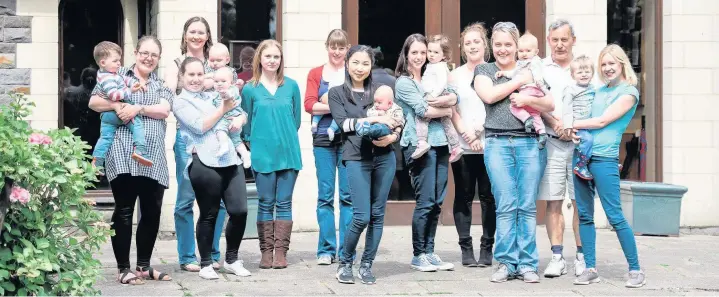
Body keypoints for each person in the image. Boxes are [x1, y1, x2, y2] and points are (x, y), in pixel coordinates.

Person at [87, 35, 174, 285]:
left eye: (154, 55)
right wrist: (116, 107)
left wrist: (137, 109)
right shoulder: (116, 73)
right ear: (136, 53)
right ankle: (123, 268)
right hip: (123, 151)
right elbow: (94, 102)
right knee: (124, 209)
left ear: (158, 59)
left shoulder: (161, 84)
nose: (148, 58)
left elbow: (165, 110)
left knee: (152, 211)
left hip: (152, 155)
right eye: (144, 53)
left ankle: (144, 266)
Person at [472, 22, 554, 283]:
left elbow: (550, 102)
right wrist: (519, 80)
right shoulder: (484, 69)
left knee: (527, 205)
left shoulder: (532, 67)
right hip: (497, 142)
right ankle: (506, 263)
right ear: (491, 46)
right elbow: (490, 96)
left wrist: (528, 99)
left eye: (508, 44)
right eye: (498, 44)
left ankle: (528, 264)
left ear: (517, 46)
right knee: (506, 204)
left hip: (529, 143)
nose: (503, 49)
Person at [165, 17, 237, 272]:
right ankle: (187, 256)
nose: (196, 36)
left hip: (216, 140)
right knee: (185, 199)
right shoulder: (175, 64)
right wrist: (209, 82)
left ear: (208, 36)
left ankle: (212, 251)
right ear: (185, 35)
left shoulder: (216, 62)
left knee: (216, 201)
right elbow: (171, 90)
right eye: (192, 32)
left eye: (201, 32)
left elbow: (233, 88)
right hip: (187, 140)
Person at [571, 44, 645, 288]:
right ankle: (590, 268)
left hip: (604, 160)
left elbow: (602, 121)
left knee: (615, 216)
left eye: (612, 63)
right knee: (584, 215)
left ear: (622, 63)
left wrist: (572, 124)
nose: (607, 68)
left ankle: (635, 270)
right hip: (582, 156)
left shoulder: (629, 92)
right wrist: (574, 132)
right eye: (603, 64)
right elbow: (585, 119)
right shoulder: (597, 91)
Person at [173, 57, 252, 280]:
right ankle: (206, 262)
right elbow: (200, 126)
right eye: (191, 75)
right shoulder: (180, 102)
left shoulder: (214, 93)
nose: (196, 79)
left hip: (230, 159)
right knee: (209, 213)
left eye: (200, 74)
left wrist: (241, 119)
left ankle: (232, 259)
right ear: (182, 77)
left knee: (239, 211)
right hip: (203, 161)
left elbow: (239, 109)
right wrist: (224, 108)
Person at [330, 45, 401, 285]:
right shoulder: (337, 93)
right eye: (356, 62)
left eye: (365, 64)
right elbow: (345, 125)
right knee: (361, 216)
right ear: (347, 63)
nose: (360, 68)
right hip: (356, 158)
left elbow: (398, 118)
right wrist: (375, 118)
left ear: (372, 66)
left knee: (378, 215)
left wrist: (393, 136)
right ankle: (345, 262)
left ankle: (367, 264)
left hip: (385, 157)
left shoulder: (380, 90)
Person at [395, 33, 458, 273]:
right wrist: (446, 109)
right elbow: (422, 110)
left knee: (438, 202)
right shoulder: (404, 82)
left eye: (423, 52)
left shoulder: (435, 72)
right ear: (407, 55)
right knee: (425, 201)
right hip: (419, 146)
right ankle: (418, 253)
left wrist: (448, 102)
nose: (420, 57)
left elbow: (454, 94)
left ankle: (430, 252)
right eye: (415, 53)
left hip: (441, 144)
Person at [241, 39, 302, 270]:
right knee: (265, 202)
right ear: (260, 59)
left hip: (288, 152)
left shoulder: (292, 86)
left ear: (281, 60)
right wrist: (254, 144)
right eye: (268, 56)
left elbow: (295, 120)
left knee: (284, 202)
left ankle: (280, 253)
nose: (272, 60)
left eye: (276, 57)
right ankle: (266, 252)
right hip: (262, 153)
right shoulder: (250, 88)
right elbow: (246, 124)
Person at [538, 19, 588, 278]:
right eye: (555, 39)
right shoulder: (541, 69)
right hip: (553, 143)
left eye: (564, 39)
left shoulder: (585, 68)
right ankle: (557, 257)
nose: (559, 44)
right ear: (549, 40)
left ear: (573, 40)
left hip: (580, 145)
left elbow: (593, 102)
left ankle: (582, 256)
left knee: (581, 203)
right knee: (554, 201)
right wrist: (555, 122)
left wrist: (575, 125)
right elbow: (535, 102)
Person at [448, 22, 495, 268]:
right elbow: (451, 109)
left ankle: (487, 247)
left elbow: (497, 104)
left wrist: (480, 131)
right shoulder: (455, 76)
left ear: (484, 44)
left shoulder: (494, 71)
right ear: (462, 47)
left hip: (489, 143)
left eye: (477, 41)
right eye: (468, 42)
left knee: (489, 197)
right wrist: (466, 133)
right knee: (464, 196)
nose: (473, 45)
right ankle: (466, 248)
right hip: (464, 144)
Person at [304, 29, 353, 265]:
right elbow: (309, 105)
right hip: (322, 139)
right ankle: (326, 249)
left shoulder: (353, 71)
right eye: (333, 46)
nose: (336, 51)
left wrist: (330, 106)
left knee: (347, 196)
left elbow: (359, 105)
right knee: (325, 196)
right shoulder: (316, 73)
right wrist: (339, 107)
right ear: (327, 47)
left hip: (349, 140)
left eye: (341, 47)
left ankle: (346, 249)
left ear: (347, 48)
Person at [90, 41, 148, 176]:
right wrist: (130, 92)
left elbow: (125, 80)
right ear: (103, 63)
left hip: (106, 117)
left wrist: (136, 83)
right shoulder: (107, 79)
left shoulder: (111, 74)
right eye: (115, 61)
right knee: (137, 123)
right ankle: (139, 149)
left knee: (105, 138)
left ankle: (97, 163)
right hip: (115, 114)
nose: (119, 64)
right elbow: (114, 95)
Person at [412, 35, 463, 162]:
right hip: (438, 95)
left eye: (436, 52)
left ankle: (422, 141)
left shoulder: (439, 66)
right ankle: (456, 146)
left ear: (444, 55)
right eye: (429, 51)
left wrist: (433, 95)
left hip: (436, 95)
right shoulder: (433, 65)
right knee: (446, 121)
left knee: (422, 117)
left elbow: (441, 82)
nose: (431, 55)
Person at [495, 32, 549, 148]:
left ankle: (526, 118)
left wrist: (539, 83)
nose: (524, 54)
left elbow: (537, 73)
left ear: (536, 52)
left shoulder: (535, 61)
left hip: (530, 89)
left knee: (513, 106)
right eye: (521, 51)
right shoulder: (521, 63)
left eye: (528, 51)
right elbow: (513, 74)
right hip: (536, 93)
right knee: (535, 113)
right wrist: (504, 73)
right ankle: (542, 133)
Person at [561, 55, 596, 180]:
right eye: (580, 72)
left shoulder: (593, 88)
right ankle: (581, 165)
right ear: (572, 75)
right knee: (588, 140)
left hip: (591, 124)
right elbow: (567, 109)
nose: (584, 74)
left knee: (598, 140)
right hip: (579, 125)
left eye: (587, 71)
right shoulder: (571, 90)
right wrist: (568, 126)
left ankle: (604, 164)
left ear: (592, 73)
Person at [211, 66, 251, 168]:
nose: (219, 84)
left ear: (231, 83)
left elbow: (229, 96)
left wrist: (226, 94)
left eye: (223, 81)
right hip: (232, 121)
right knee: (236, 140)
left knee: (219, 130)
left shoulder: (233, 89)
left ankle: (224, 145)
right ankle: (245, 155)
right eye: (216, 81)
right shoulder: (214, 94)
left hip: (230, 118)